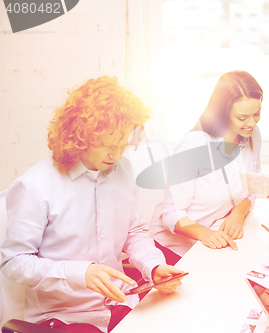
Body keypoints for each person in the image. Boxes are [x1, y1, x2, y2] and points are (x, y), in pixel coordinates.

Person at [0, 76, 183, 333]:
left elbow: (134, 232)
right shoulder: (36, 186)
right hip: (65, 316)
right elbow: (13, 262)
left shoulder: (123, 170)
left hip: (120, 303)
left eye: (123, 146)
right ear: (80, 134)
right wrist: (79, 273)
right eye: (108, 146)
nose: (117, 156)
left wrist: (152, 266)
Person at [150, 70, 262, 260]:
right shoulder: (193, 146)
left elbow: (251, 188)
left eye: (257, 114)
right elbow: (170, 214)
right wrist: (205, 234)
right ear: (223, 113)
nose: (251, 123)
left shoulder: (252, 135)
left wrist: (237, 214)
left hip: (214, 242)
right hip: (175, 250)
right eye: (242, 118)